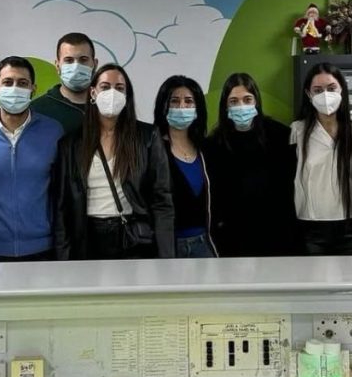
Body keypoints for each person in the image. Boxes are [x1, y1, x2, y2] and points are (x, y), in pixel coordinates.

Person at [53, 63, 174, 260]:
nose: (112, 93)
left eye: (119, 88)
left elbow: (162, 200)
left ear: (127, 95)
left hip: (133, 240)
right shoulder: (70, 144)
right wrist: (63, 259)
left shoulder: (147, 137)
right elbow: (62, 208)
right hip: (88, 240)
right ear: (93, 93)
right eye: (105, 87)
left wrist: (166, 257)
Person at [0, 56, 63, 261]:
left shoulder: (53, 131)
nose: (15, 88)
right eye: (8, 82)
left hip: (41, 248)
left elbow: (62, 188)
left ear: (33, 89)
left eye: (22, 83)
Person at [204, 72, 298, 257]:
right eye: (234, 101)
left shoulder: (280, 135)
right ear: (225, 106)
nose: (241, 106)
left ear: (256, 102)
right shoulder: (214, 144)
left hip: (277, 234)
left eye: (247, 99)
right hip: (233, 238)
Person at [291, 63, 352, 255]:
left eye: (331, 88)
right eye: (317, 90)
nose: (325, 95)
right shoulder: (297, 131)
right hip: (311, 227)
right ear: (308, 94)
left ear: (342, 89)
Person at [152, 76, 216, 258]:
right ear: (164, 106)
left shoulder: (207, 149)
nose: (182, 107)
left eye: (189, 101)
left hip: (206, 244)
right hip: (169, 247)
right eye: (175, 101)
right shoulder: (152, 149)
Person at [31, 32, 98, 136]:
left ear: (95, 64)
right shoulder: (36, 110)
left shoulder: (108, 106)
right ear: (57, 66)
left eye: (83, 60)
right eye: (69, 60)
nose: (76, 67)